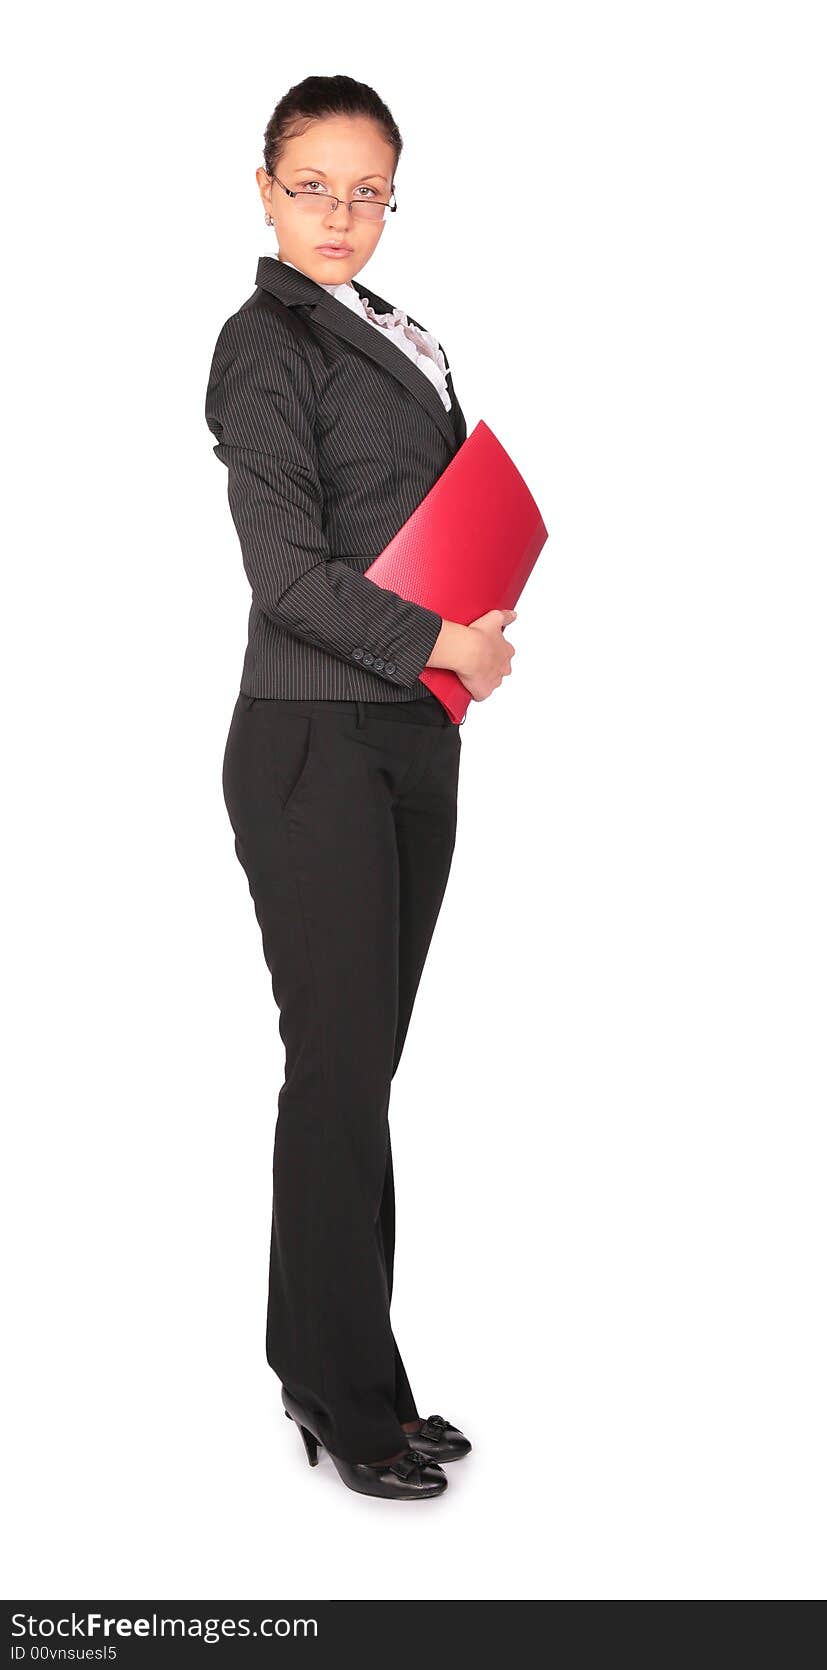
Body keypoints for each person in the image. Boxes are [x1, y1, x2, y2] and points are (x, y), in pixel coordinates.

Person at [205, 73, 517, 1501]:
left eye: (368, 188)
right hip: (314, 741)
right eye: (312, 183)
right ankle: (340, 1394)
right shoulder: (262, 346)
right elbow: (289, 572)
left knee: (359, 1075)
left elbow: (431, 515)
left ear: (396, 196)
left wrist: (472, 631)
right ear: (264, 187)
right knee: (336, 1075)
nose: (341, 213)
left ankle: (341, 1363)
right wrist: (439, 637)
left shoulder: (403, 331)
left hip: (410, 732)